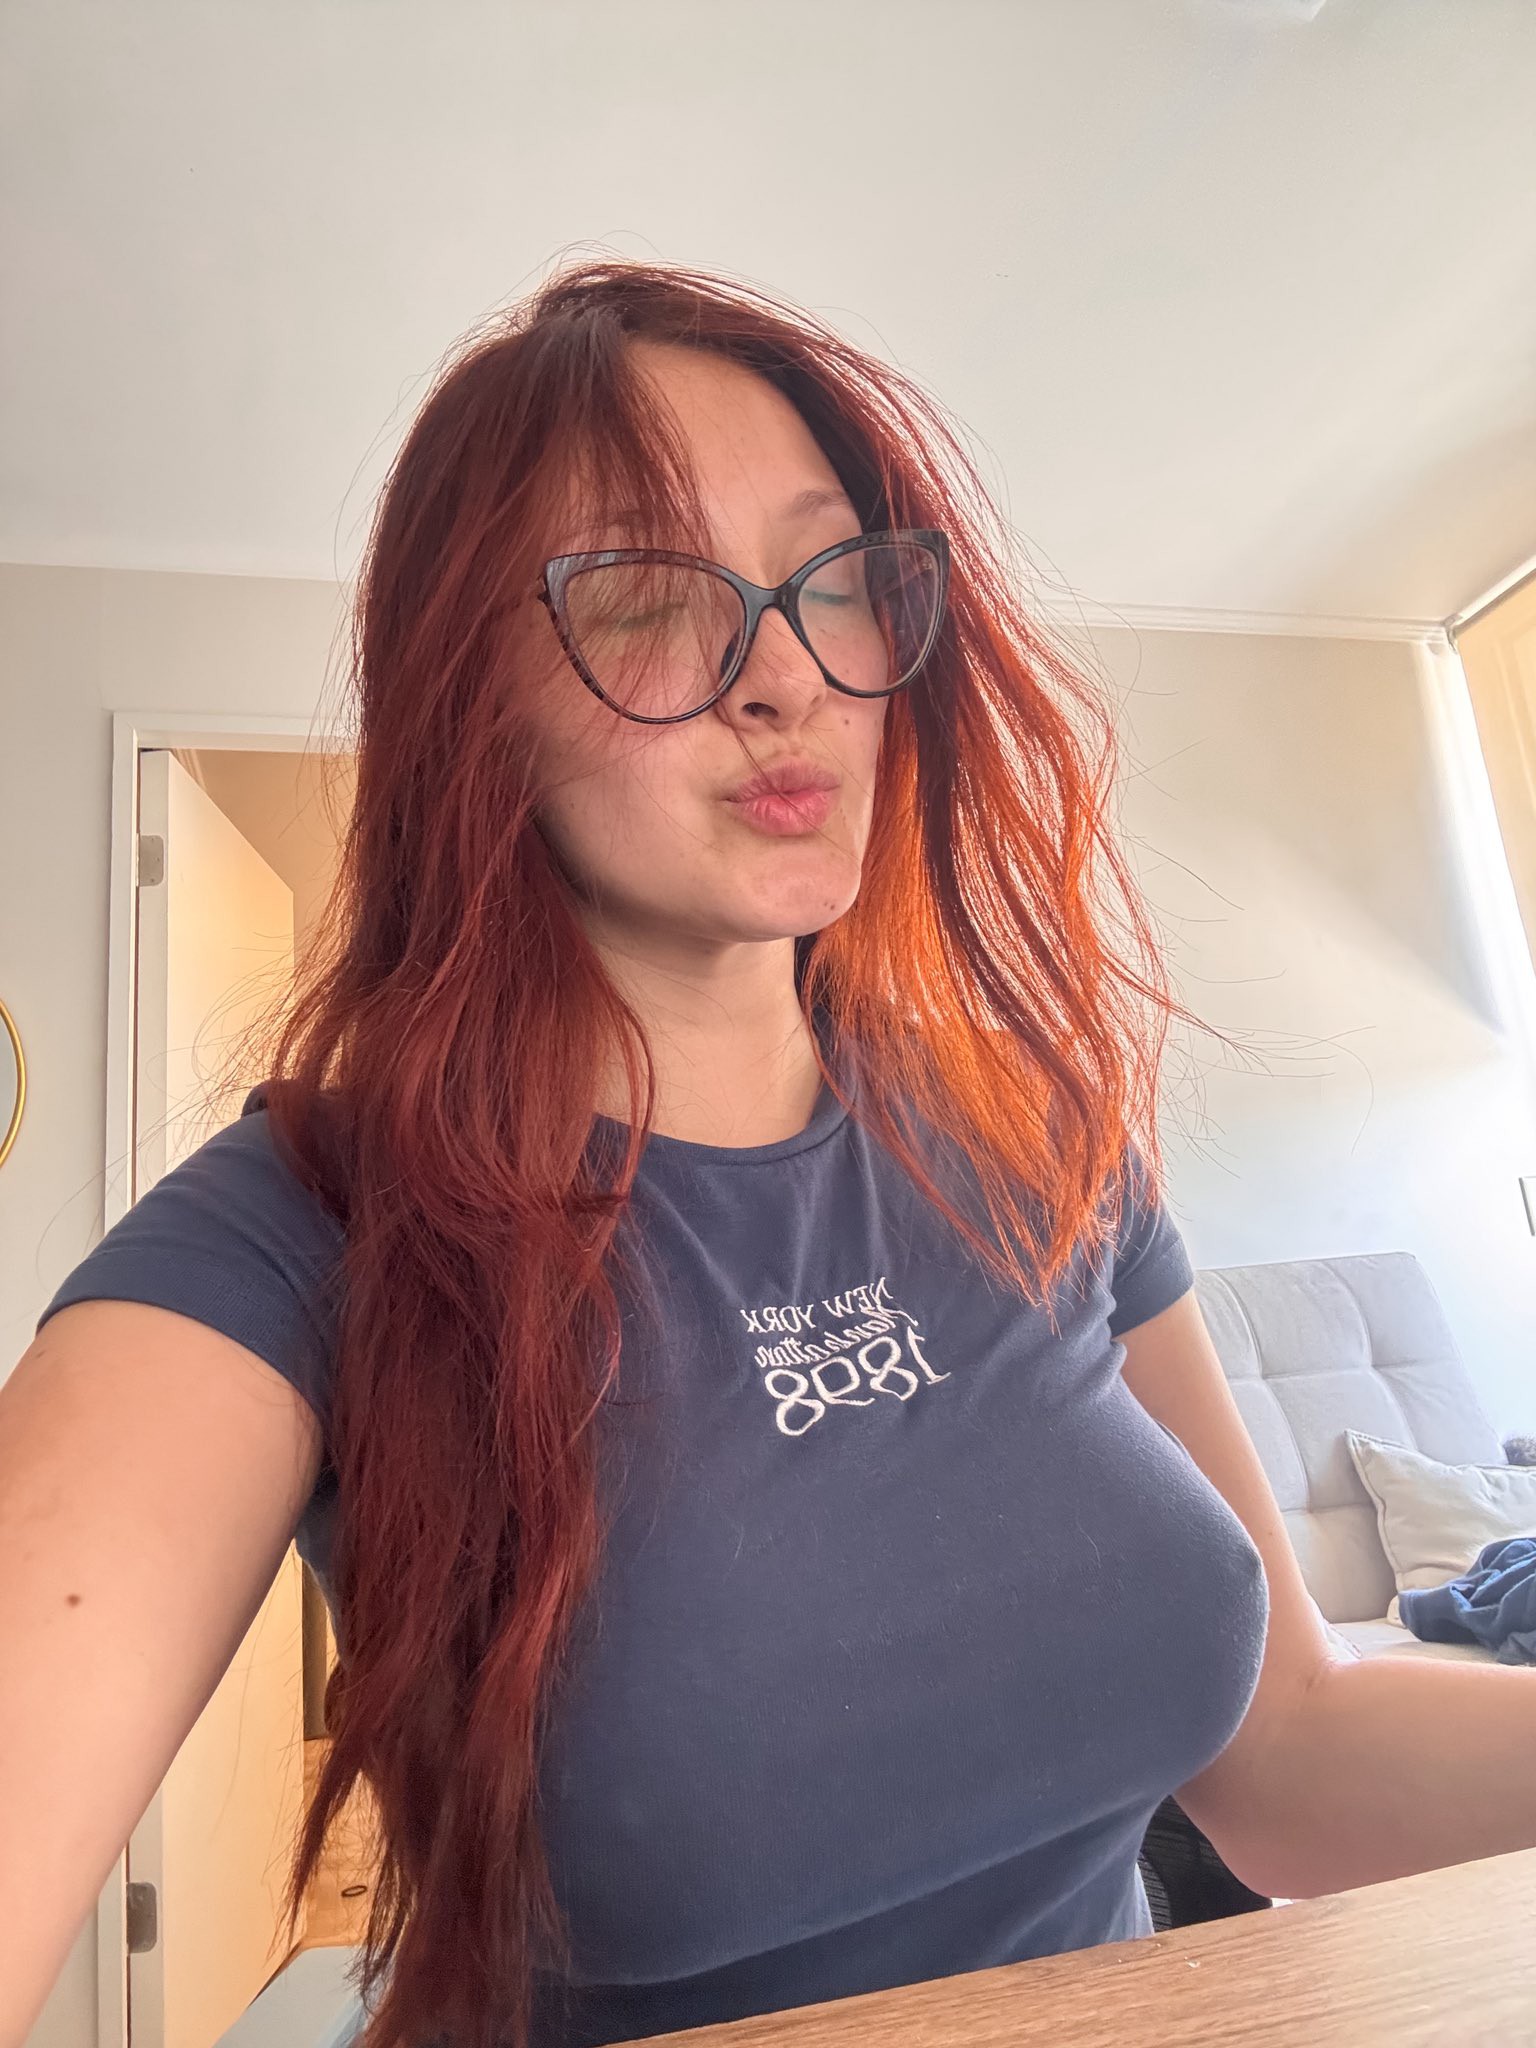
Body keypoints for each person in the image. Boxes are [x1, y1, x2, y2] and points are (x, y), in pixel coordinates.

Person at [0, 259, 1428, 2048]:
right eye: (649, 602)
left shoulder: (1038, 1127)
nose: (786, 678)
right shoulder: (298, 1233)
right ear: (470, 695)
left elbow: (1290, 1758)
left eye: (834, 582)